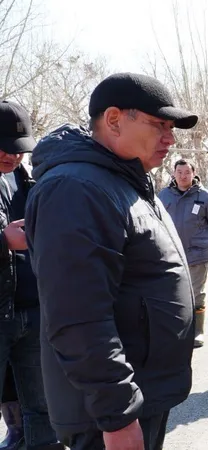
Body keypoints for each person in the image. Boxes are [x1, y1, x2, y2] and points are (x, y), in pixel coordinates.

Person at [25, 73, 198, 450]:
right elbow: (78, 317)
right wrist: (117, 414)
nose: (169, 138)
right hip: (107, 415)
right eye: (159, 125)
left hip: (140, 393)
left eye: (171, 128)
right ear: (115, 119)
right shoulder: (77, 188)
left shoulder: (122, 182)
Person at [0, 100, 62, 450]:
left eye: (20, 151)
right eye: (6, 149)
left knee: (41, 406)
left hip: (32, 308)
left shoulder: (26, 177)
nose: (13, 158)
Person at [158, 159, 208, 348]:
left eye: (187, 172)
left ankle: (197, 332)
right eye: (179, 172)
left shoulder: (206, 197)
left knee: (196, 293)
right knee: (171, 291)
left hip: (197, 254)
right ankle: (176, 329)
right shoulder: (164, 196)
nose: (183, 175)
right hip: (171, 252)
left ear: (194, 174)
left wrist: (200, 240)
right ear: (174, 173)